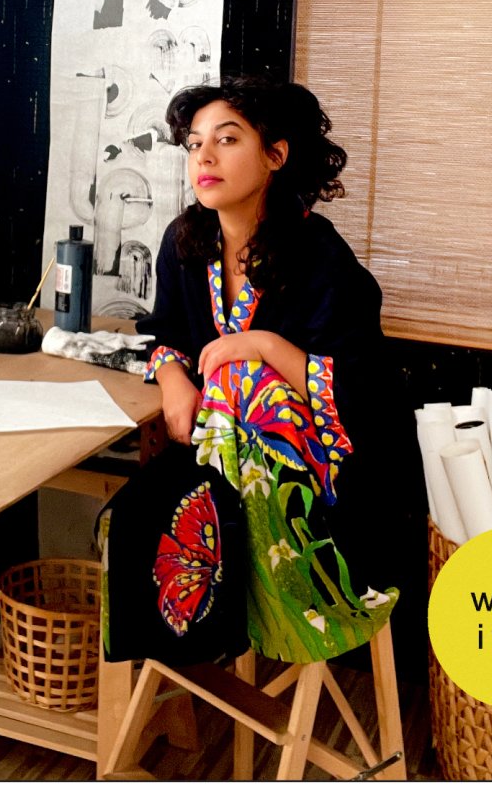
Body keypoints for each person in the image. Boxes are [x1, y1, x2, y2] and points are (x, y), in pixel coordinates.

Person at [103, 75, 402, 666]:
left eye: (227, 139)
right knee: (128, 519)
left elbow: (365, 387)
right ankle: (204, 614)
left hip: (329, 480)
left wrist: (262, 346)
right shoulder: (185, 242)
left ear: (275, 156)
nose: (204, 158)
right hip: (218, 463)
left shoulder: (320, 255)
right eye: (194, 144)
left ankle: (256, 592)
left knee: (248, 381)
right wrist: (174, 379)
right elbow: (166, 332)